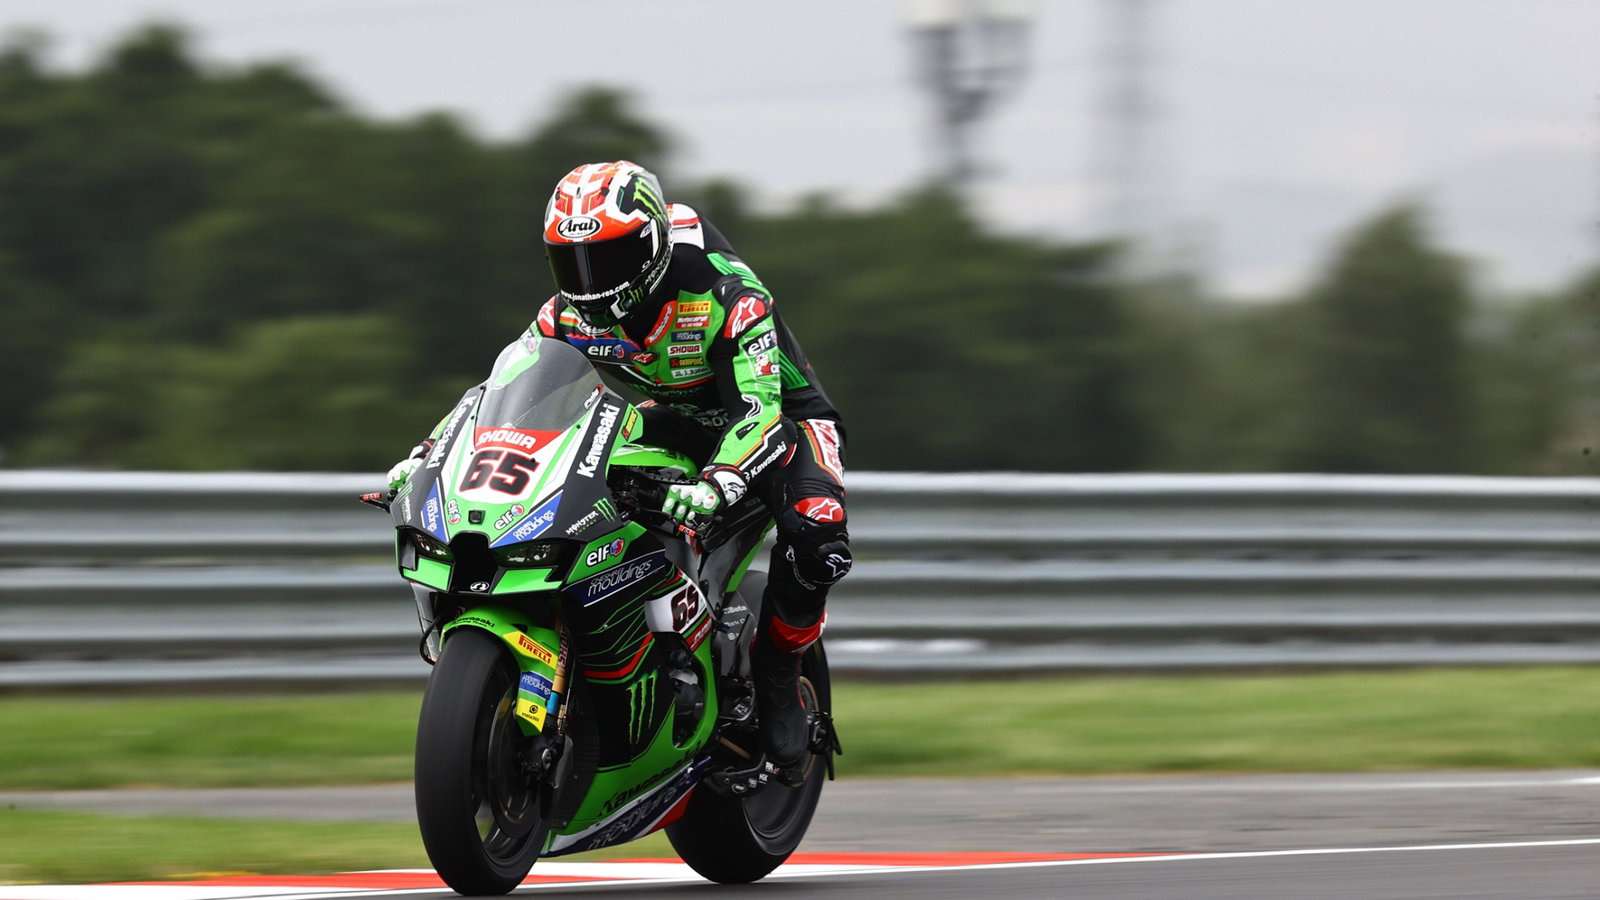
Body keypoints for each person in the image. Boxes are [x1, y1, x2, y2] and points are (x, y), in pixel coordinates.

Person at [388, 160, 850, 770]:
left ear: (652, 246)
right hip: (671, 416)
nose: (587, 282)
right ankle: (621, 652)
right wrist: (430, 455)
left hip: (778, 421)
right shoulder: (567, 313)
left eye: (604, 261)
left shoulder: (726, 296)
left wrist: (719, 482)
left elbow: (760, 412)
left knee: (819, 528)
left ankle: (780, 677)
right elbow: (505, 391)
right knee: (596, 492)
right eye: (569, 263)